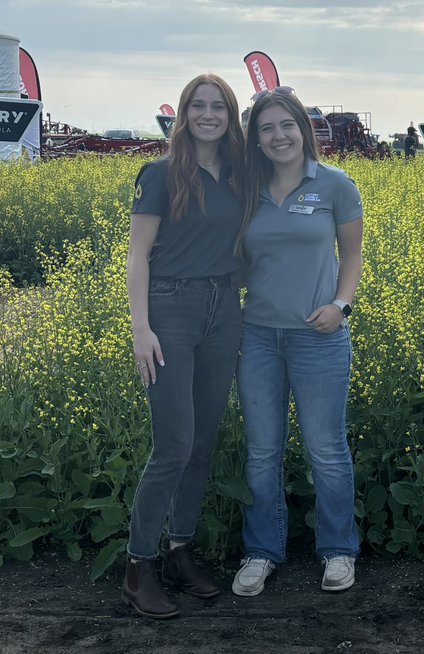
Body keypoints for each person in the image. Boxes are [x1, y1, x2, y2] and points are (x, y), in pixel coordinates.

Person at [231, 86, 364, 597]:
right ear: (255, 139)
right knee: (262, 452)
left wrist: (341, 305)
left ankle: (338, 550)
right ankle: (261, 552)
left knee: (326, 449)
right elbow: (238, 261)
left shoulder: (335, 185)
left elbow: (352, 257)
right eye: (266, 128)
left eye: (287, 125)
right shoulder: (246, 189)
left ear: (303, 130)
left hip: (319, 338)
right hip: (258, 338)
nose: (278, 136)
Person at [124, 73, 245, 618]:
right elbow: (137, 255)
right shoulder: (160, 173)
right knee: (172, 446)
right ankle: (138, 565)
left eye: (218, 106)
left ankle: (180, 551)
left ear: (231, 115)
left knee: (201, 443)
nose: (208, 115)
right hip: (170, 309)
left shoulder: (239, 174)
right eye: (198, 105)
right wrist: (141, 328)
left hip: (225, 309)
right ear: (183, 113)